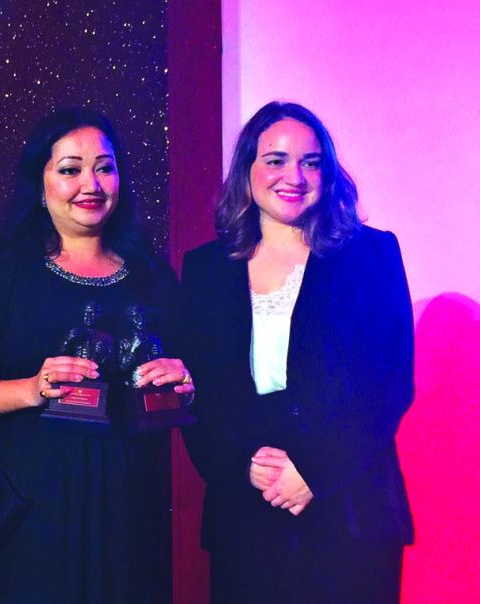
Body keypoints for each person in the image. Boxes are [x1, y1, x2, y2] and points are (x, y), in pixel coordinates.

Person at [180, 101, 414, 603]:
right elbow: (197, 392)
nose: (295, 176)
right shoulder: (204, 269)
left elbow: (390, 383)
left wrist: (314, 468)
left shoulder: (371, 256)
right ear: (247, 170)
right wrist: (241, 463)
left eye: (311, 162)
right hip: (246, 508)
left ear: (328, 174)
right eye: (276, 160)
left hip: (350, 506)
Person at [0, 107, 193, 604]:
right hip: (32, 514)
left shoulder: (154, 277)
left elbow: (192, 387)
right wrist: (30, 388)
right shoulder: (5, 274)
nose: (90, 182)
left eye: (104, 167)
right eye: (70, 169)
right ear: (40, 183)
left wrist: (184, 382)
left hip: (131, 515)